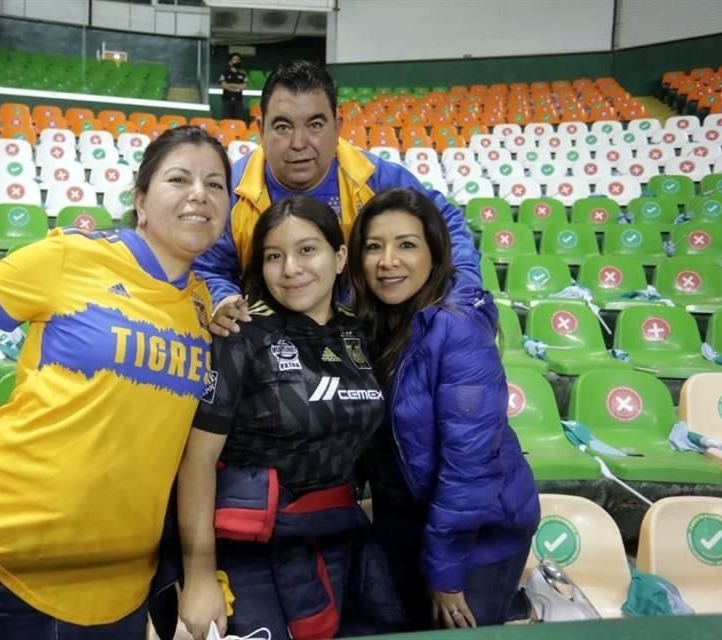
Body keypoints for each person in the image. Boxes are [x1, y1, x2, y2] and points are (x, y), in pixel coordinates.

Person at [0, 125, 231, 640]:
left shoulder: (204, 308)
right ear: (141, 202)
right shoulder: (72, 257)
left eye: (216, 185)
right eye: (180, 178)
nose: (200, 193)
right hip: (1, 559)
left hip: (117, 585)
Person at [177, 196, 403, 640]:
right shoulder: (239, 335)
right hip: (249, 545)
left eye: (307, 250)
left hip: (338, 535)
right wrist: (200, 575)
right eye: (274, 256)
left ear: (339, 257)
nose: (290, 269)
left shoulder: (360, 329)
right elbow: (197, 461)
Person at [347, 188, 540, 630]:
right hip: (408, 523)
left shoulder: (457, 331)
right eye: (374, 247)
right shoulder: (370, 327)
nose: (388, 260)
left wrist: (446, 575)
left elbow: (469, 468)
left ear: (435, 255)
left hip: (480, 535)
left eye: (406, 245)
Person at [194, 60, 480, 338]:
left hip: (366, 342)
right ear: (261, 129)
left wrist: (461, 295)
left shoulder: (375, 180)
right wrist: (223, 300)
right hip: (268, 347)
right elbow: (206, 266)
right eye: (282, 127)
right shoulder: (230, 192)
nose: (298, 142)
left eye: (315, 125)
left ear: (338, 125)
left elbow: (446, 224)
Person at [219, 53, 247, 121]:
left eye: (238, 60)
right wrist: (237, 89)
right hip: (227, 101)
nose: (237, 61)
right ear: (230, 62)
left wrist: (230, 84)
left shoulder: (243, 75)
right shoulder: (224, 74)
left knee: (239, 121)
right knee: (226, 120)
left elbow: (243, 86)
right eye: (235, 60)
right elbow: (223, 85)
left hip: (238, 101)